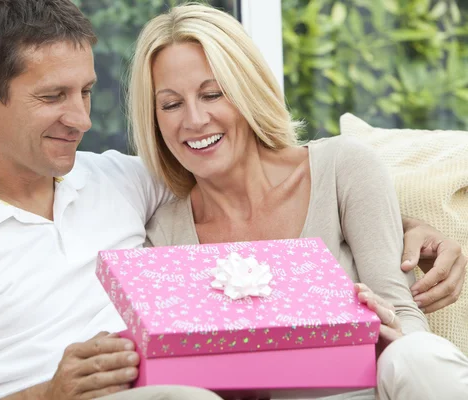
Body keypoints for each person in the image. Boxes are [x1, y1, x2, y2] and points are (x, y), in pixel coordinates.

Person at [0, 0, 463, 399]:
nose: (79, 119)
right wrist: (48, 394)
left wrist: (406, 224)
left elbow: (240, 176)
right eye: (54, 96)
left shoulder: (118, 183)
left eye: (86, 92)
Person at [129, 3, 468, 400]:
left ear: (247, 90)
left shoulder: (344, 167)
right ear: (153, 119)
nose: (195, 119)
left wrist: (380, 332)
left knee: (416, 355)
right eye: (171, 104)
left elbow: (405, 315)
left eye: (212, 93)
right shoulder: (162, 235)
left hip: (370, 386)